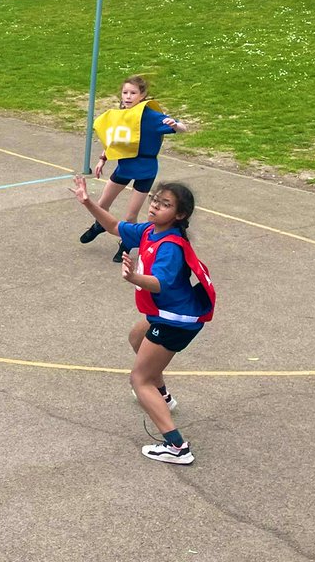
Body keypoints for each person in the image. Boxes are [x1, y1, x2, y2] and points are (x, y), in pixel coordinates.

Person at [71, 176, 215, 465]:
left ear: (180, 215)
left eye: (165, 204)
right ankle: (163, 396)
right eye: (155, 200)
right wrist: (88, 202)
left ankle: (177, 447)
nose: (155, 207)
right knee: (137, 337)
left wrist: (134, 277)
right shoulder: (151, 231)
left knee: (139, 379)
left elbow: (160, 283)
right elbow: (115, 226)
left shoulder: (170, 246)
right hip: (165, 313)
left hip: (176, 320)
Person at [79, 75, 187, 263]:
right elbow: (116, 141)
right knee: (101, 205)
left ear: (142, 95)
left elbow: (183, 128)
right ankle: (100, 225)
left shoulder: (150, 116)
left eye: (133, 93)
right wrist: (103, 159)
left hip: (145, 170)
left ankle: (126, 244)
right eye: (125, 92)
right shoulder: (122, 115)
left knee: (131, 216)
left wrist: (175, 125)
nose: (128, 96)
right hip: (125, 166)